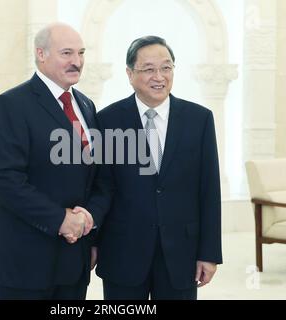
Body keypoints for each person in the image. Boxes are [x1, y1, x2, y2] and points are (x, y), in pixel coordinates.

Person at [86, 36, 222, 300]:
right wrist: (92, 243)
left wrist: (209, 253)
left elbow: (209, 190)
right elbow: (101, 186)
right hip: (122, 252)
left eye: (166, 67)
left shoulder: (200, 119)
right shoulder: (107, 120)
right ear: (130, 73)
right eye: (148, 69)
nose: (159, 76)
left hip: (181, 253)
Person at [0, 23, 100, 300]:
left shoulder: (87, 107)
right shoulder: (11, 104)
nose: (77, 61)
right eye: (66, 53)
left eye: (81, 53)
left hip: (72, 261)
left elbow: (94, 176)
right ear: (41, 54)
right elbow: (3, 179)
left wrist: (89, 224)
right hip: (21, 261)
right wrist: (60, 220)